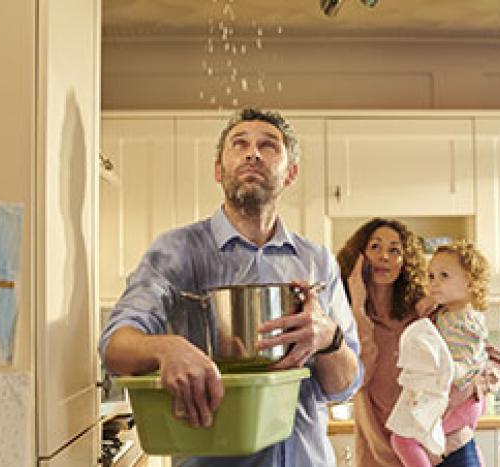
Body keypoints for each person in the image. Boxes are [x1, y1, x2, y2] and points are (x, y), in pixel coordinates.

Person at [99, 108, 363, 467]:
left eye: (268, 146)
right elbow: (114, 346)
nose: (253, 153)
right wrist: (167, 348)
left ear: (290, 174)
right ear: (218, 170)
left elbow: (344, 387)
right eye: (239, 144)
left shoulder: (317, 261)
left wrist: (329, 338)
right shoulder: (178, 250)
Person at [336, 220, 500, 466]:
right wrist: (358, 307)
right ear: (359, 257)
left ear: (405, 261)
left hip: (445, 449)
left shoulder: (425, 314)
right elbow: (355, 380)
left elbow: (493, 361)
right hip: (380, 455)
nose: (384, 256)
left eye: (394, 250)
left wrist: (471, 386)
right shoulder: (346, 320)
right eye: (375, 247)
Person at [387, 241, 493, 466]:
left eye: (444, 276)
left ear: (470, 282)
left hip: (462, 401)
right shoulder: (447, 313)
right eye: (431, 276)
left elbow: (468, 362)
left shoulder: (466, 321)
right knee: (409, 439)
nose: (434, 283)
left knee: (405, 438)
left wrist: (449, 371)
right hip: (458, 400)